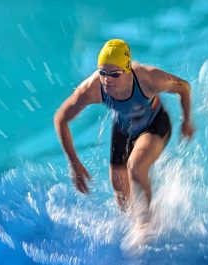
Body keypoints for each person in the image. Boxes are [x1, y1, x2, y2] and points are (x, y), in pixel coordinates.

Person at [54, 39, 195, 216]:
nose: (107, 80)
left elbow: (184, 88)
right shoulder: (93, 88)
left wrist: (186, 121)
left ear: (128, 69)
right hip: (123, 128)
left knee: (136, 166)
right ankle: (133, 222)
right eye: (102, 73)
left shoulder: (148, 79)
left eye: (115, 74)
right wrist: (74, 164)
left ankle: (147, 227)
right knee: (121, 195)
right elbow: (61, 119)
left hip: (154, 125)